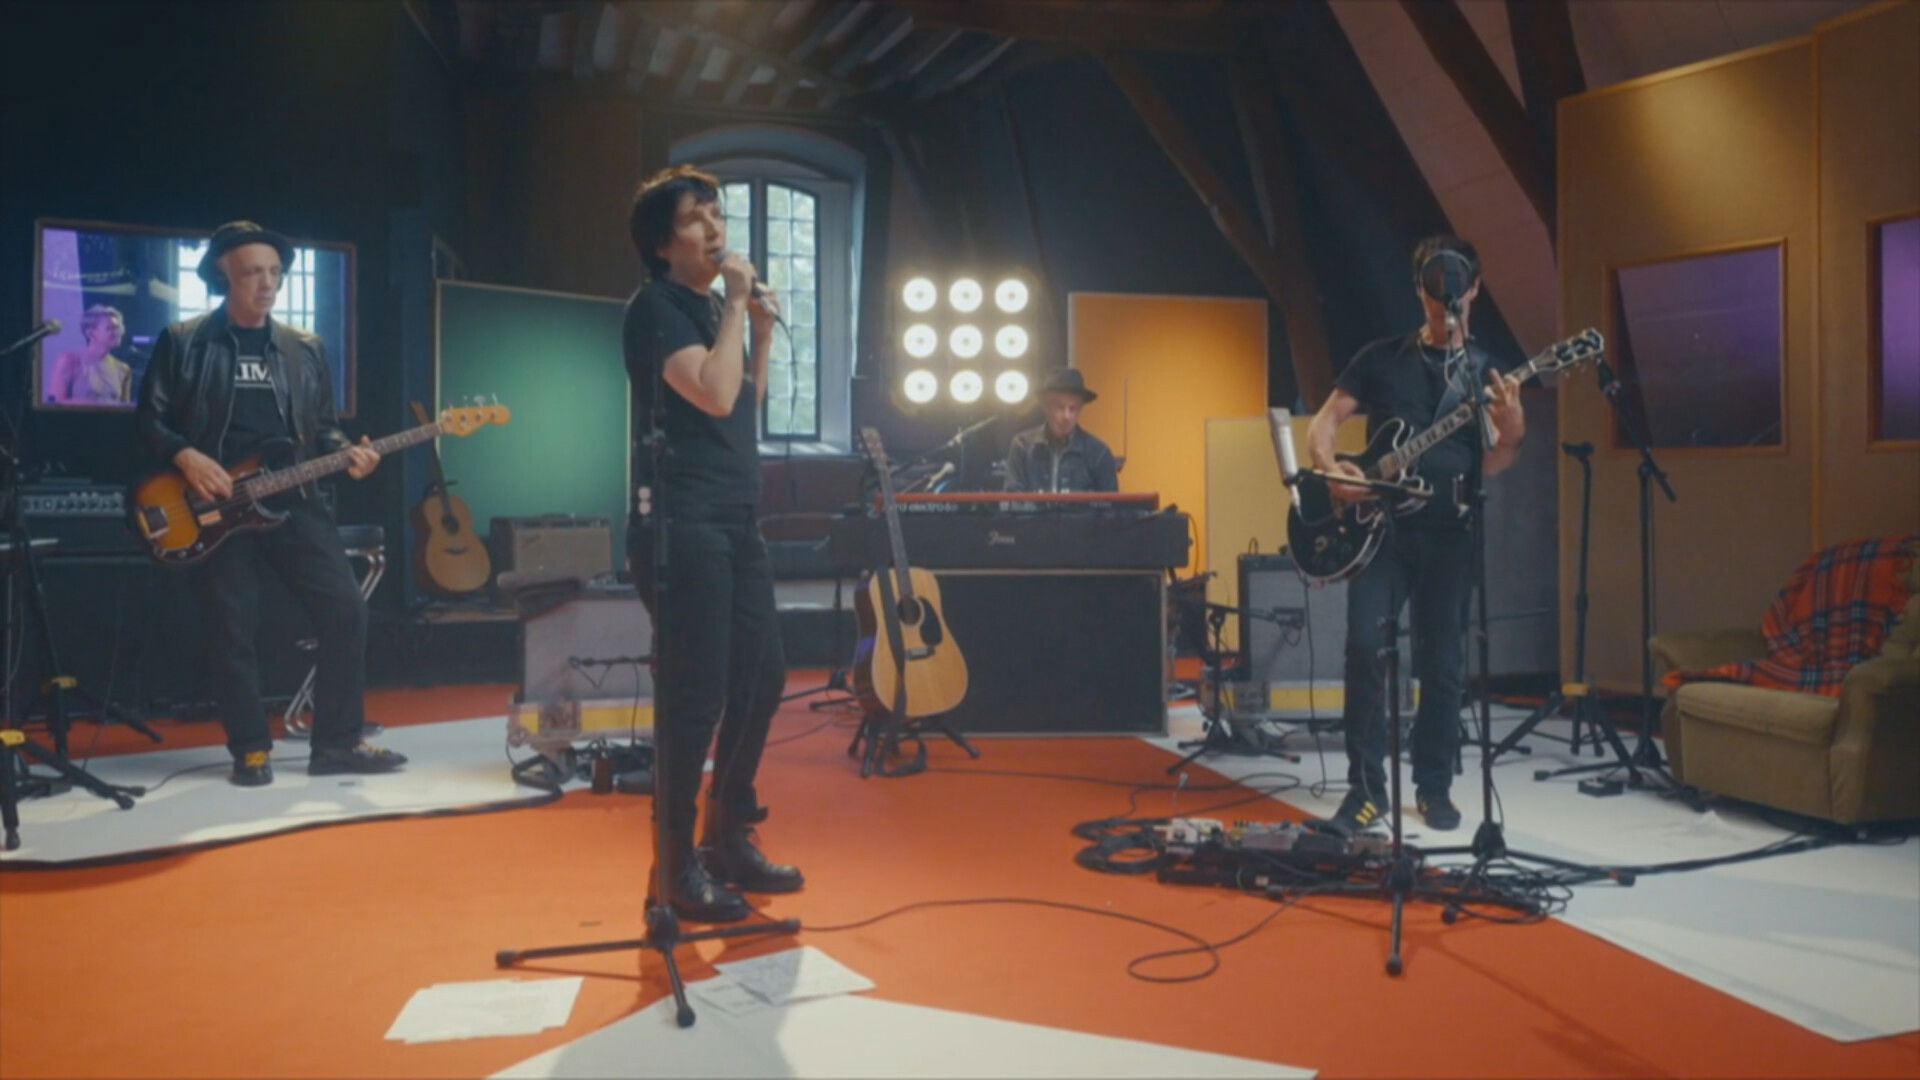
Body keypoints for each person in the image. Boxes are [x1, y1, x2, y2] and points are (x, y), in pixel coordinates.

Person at [135, 221, 405, 787]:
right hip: (213, 503)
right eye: (253, 272)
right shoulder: (185, 341)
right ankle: (250, 748)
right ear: (224, 276)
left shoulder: (304, 348)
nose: (267, 284)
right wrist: (186, 456)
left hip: (293, 498)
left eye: (275, 273)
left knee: (346, 611)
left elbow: (323, 428)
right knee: (232, 627)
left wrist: (350, 453)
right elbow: (150, 420)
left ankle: (336, 744)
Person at [624, 165, 803, 924]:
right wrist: (734, 304)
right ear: (664, 243)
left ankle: (727, 837)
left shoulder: (708, 309)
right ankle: (673, 868)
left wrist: (756, 332)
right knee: (695, 696)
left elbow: (743, 400)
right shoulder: (656, 308)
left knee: (763, 678)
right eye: (697, 218)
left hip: (736, 519)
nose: (716, 228)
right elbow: (713, 392)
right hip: (681, 523)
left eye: (717, 213)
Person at [1305, 235, 1525, 835]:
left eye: (1453, 287)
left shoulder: (1485, 374)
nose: (1442, 300)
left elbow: (1494, 464)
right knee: (1363, 648)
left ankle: (1433, 786)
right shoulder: (1381, 358)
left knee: (1444, 662)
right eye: (1433, 288)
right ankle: (1366, 790)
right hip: (1382, 532)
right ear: (1418, 290)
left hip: (1450, 533)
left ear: (1474, 289)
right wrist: (1331, 470)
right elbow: (1325, 420)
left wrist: (1510, 433)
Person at [1003, 367, 1119, 493]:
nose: (1066, 416)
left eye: (1072, 408)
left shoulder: (1099, 452)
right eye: (1059, 407)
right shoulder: (1022, 446)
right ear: (1045, 407)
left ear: (1080, 410)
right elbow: (1012, 498)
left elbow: (1110, 504)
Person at [49, 305, 133, 404]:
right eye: (110, 328)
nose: (117, 333)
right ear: (91, 333)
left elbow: (125, 408)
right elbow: (56, 402)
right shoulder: (70, 360)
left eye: (118, 328)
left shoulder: (123, 369)